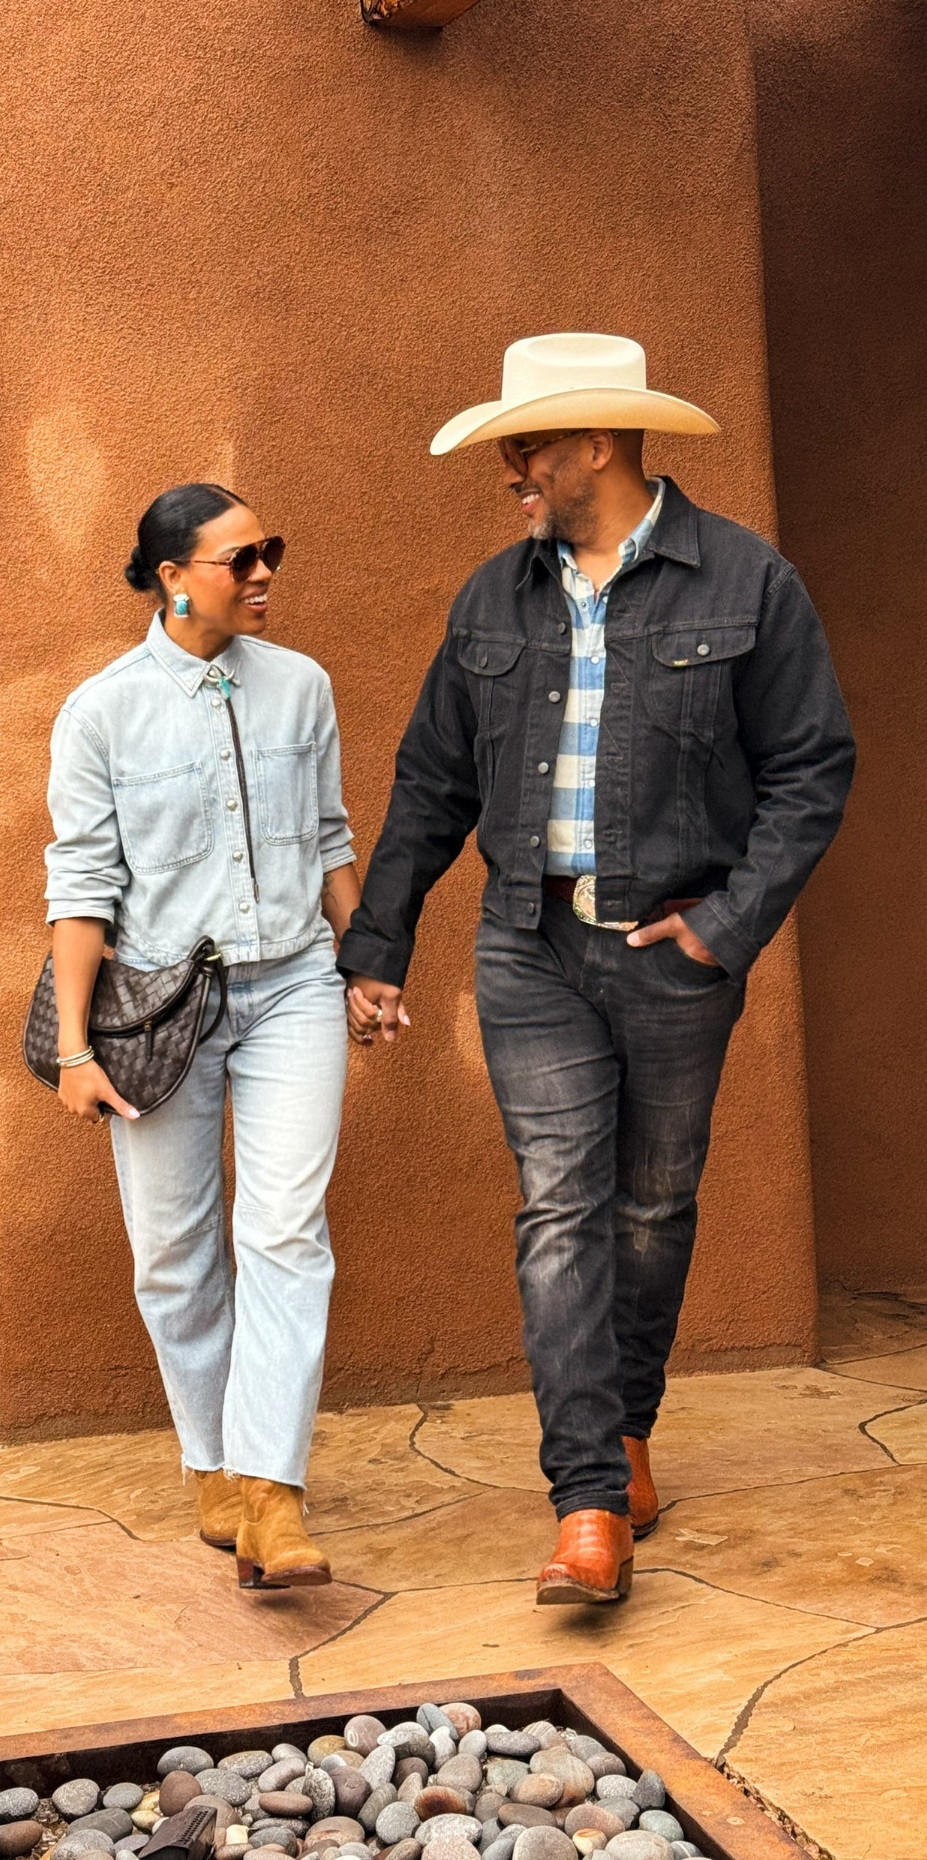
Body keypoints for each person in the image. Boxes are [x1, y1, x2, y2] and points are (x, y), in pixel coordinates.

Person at [339, 333, 855, 1606]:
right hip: (528, 943)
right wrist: (381, 945)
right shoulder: (491, 599)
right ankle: (585, 1501)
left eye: (529, 444)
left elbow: (812, 768)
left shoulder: (747, 580)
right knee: (561, 1204)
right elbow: (430, 782)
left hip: (673, 945)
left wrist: (726, 925)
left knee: (651, 1208)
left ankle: (628, 1431)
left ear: (604, 445)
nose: (511, 466)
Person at [43, 482, 360, 1590]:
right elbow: (81, 886)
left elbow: (329, 838)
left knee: (285, 1229)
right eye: (240, 558)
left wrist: (359, 964)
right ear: (174, 575)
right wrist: (77, 1048)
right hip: (161, 1010)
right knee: (175, 1252)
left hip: (292, 992)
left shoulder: (302, 688)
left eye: (270, 549)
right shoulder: (101, 712)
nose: (265, 571)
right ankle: (212, 1461)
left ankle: (274, 1489)